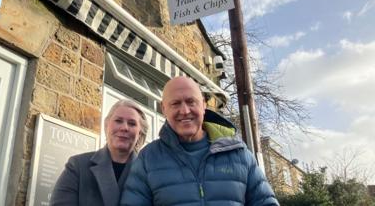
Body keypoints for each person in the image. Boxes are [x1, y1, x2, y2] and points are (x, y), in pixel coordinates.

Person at [120, 76, 279, 206]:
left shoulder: (238, 153)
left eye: (191, 101)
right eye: (175, 103)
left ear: (203, 105)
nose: (184, 111)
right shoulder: (148, 159)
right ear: (164, 109)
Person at [50, 99, 148, 206]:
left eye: (132, 123)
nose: (124, 127)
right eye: (118, 121)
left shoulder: (149, 174)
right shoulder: (77, 166)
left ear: (140, 133)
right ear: (107, 126)